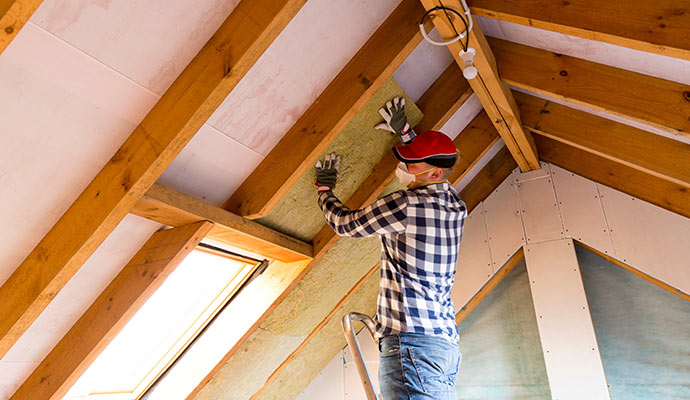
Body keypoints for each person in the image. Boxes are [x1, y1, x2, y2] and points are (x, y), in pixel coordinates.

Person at [314, 97, 466, 399]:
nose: (404, 166)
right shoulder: (455, 204)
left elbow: (347, 225)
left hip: (412, 347)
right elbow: (432, 165)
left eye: (412, 162)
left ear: (434, 173)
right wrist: (406, 134)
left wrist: (324, 191)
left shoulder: (407, 205)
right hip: (442, 348)